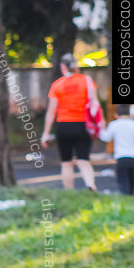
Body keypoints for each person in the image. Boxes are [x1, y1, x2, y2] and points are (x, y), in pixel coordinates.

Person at [40, 54, 99, 191]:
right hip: (83, 124)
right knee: (83, 160)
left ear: (63, 67)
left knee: (66, 162)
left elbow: (51, 112)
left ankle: (69, 192)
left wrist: (46, 133)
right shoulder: (87, 81)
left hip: (64, 125)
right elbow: (94, 104)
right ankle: (90, 184)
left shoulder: (57, 85)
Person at [98, 104, 134, 195]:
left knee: (123, 182)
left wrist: (101, 127)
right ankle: (132, 200)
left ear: (116, 114)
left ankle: (125, 201)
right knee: (132, 183)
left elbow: (105, 137)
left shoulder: (114, 124)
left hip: (121, 157)